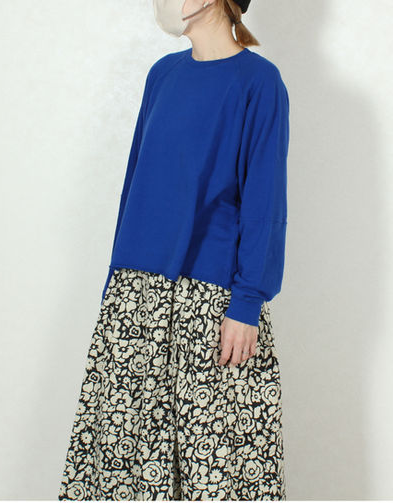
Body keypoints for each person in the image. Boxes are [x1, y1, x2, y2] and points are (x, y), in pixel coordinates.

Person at [59, 0, 290, 500]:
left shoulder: (259, 82)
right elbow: (134, 184)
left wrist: (248, 301)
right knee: (125, 468)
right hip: (136, 295)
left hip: (209, 301)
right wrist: (116, 286)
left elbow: (265, 200)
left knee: (217, 470)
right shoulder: (162, 74)